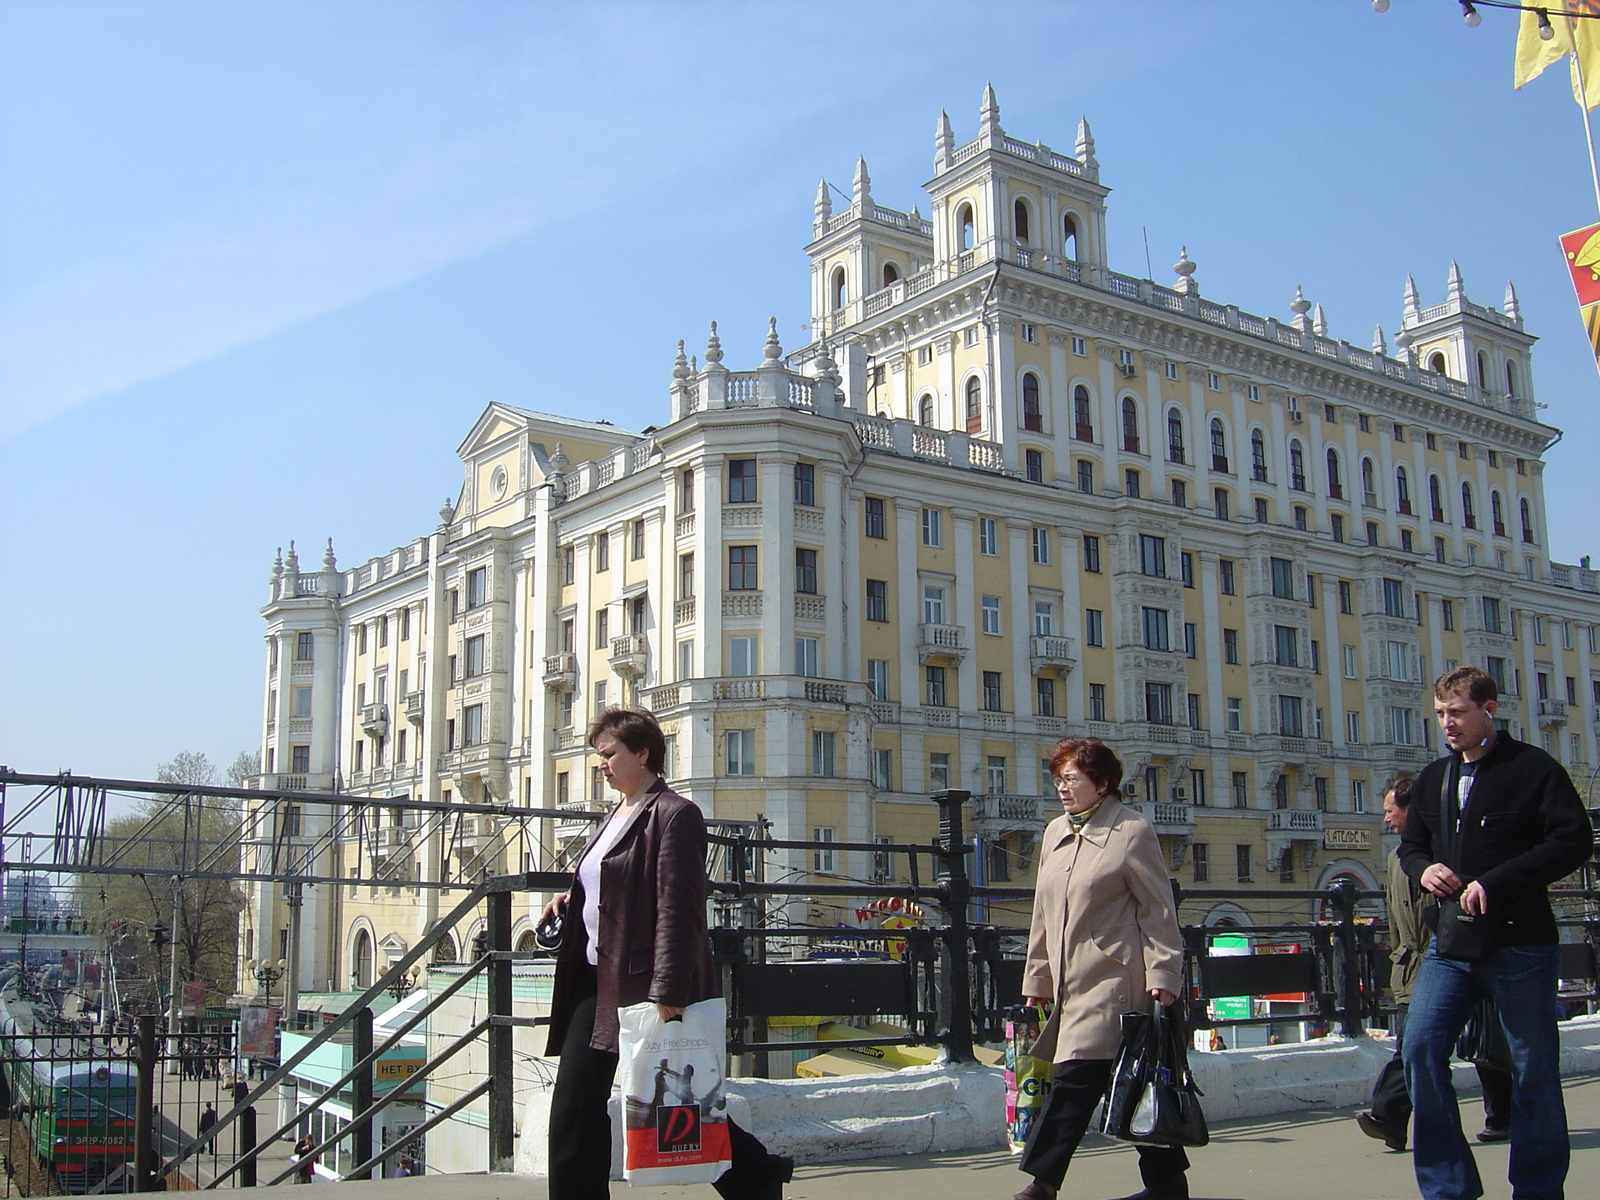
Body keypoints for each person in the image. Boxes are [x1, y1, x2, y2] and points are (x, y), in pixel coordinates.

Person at [543, 708, 794, 1200]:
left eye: (609, 754)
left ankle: (754, 1171)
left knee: (674, 1096)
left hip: (639, 982)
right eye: (598, 756)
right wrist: (572, 900)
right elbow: (616, 883)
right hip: (594, 976)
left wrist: (669, 990)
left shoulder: (675, 815)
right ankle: (757, 1173)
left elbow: (678, 909)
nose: (601, 765)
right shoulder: (616, 814)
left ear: (642, 753)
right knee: (577, 1102)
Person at [1398, 666, 1593, 1200]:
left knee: (1532, 1070)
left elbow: (1574, 841)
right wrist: (1422, 869)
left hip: (1521, 943)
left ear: (1490, 710)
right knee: (1419, 1048)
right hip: (1451, 945)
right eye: (1440, 715)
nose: (1448, 724)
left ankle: (1537, 1188)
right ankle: (1447, 1186)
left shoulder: (1533, 769)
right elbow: (1411, 845)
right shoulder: (1434, 777)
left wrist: (1499, 882)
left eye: (1457, 712)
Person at [1010, 737, 1187, 1200]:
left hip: (1116, 982)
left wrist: (1164, 975)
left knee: (1076, 1079)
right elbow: (1042, 914)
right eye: (1058, 780)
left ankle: (1042, 1185)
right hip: (1072, 986)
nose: (1062, 789)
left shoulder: (1130, 831)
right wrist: (1038, 979)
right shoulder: (1055, 832)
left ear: (1101, 782)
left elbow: (1158, 910)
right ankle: (1168, 1183)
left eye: (1071, 779)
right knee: (1128, 1083)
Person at [1356, 776, 1512, 1152]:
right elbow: (1395, 920)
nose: (1387, 820)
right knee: (1420, 1044)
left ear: (1413, 811)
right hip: (1411, 966)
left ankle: (1393, 1115)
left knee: (1468, 1041)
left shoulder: (1448, 852)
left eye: (1391, 812)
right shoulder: (1398, 859)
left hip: (1451, 960)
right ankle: (1393, 1117)